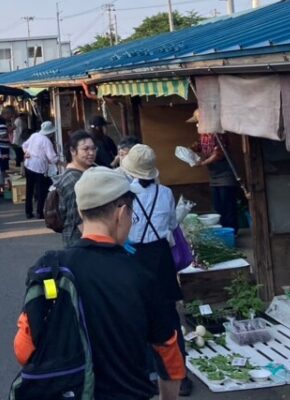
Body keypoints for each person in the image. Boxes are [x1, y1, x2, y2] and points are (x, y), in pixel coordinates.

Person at [13, 167, 184, 400]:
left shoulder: (51, 268)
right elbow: (167, 352)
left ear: (81, 212)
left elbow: (23, 349)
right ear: (121, 213)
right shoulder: (141, 274)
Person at [120, 144, 192, 395]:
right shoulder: (166, 193)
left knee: (139, 316)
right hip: (161, 258)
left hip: (135, 257)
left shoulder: (125, 194)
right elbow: (172, 223)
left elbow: (123, 230)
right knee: (169, 318)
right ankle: (179, 376)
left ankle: (147, 375)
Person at [189, 110, 239, 231]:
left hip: (225, 174)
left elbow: (218, 154)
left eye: (199, 122)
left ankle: (232, 231)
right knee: (218, 206)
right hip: (214, 175)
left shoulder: (217, 133)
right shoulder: (203, 135)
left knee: (227, 205)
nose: (197, 125)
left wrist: (202, 163)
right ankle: (222, 230)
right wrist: (195, 148)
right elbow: (203, 148)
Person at [54, 130, 97, 247]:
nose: (91, 153)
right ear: (73, 151)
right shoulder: (73, 180)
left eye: (93, 149)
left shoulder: (83, 174)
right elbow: (78, 219)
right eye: (86, 149)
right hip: (79, 241)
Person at [21, 121, 58, 220]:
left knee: (29, 189)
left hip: (29, 165)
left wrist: (27, 152)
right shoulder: (47, 141)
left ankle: (28, 212)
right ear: (50, 132)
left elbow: (24, 145)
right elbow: (52, 157)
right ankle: (39, 212)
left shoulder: (34, 135)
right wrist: (59, 160)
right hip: (39, 168)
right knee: (42, 190)